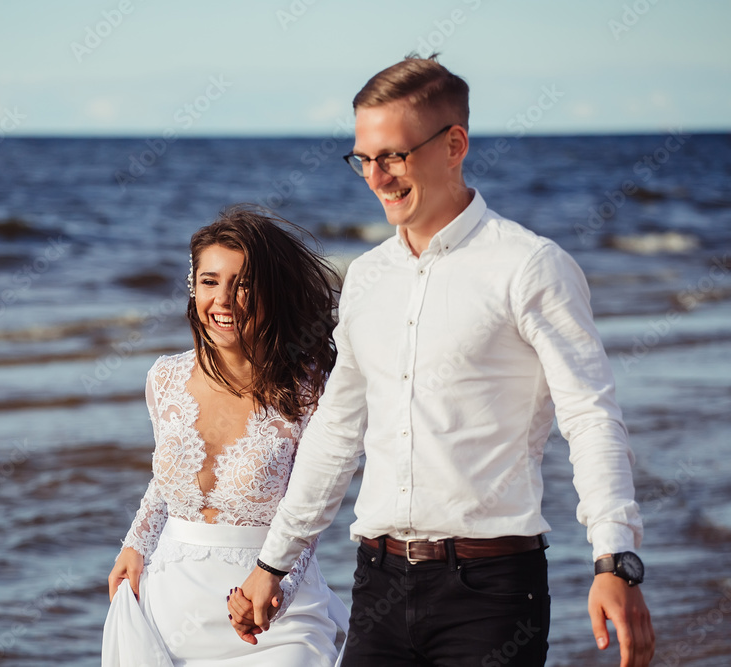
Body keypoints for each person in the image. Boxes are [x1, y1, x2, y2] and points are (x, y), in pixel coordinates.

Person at [229, 56, 655, 666]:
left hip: (491, 593)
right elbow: (337, 430)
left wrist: (615, 560)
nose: (377, 177)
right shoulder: (368, 278)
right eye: (363, 159)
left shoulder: (529, 266)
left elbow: (589, 415)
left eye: (394, 156)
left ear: (454, 144)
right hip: (377, 584)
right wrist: (275, 561)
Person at [103, 205, 348, 666]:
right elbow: (169, 478)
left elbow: (312, 507)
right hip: (172, 606)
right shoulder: (166, 378)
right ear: (193, 286)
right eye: (210, 281)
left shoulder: (313, 390)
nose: (224, 300)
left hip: (272, 609)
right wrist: (135, 544)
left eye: (244, 285)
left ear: (271, 292)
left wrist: (277, 591)